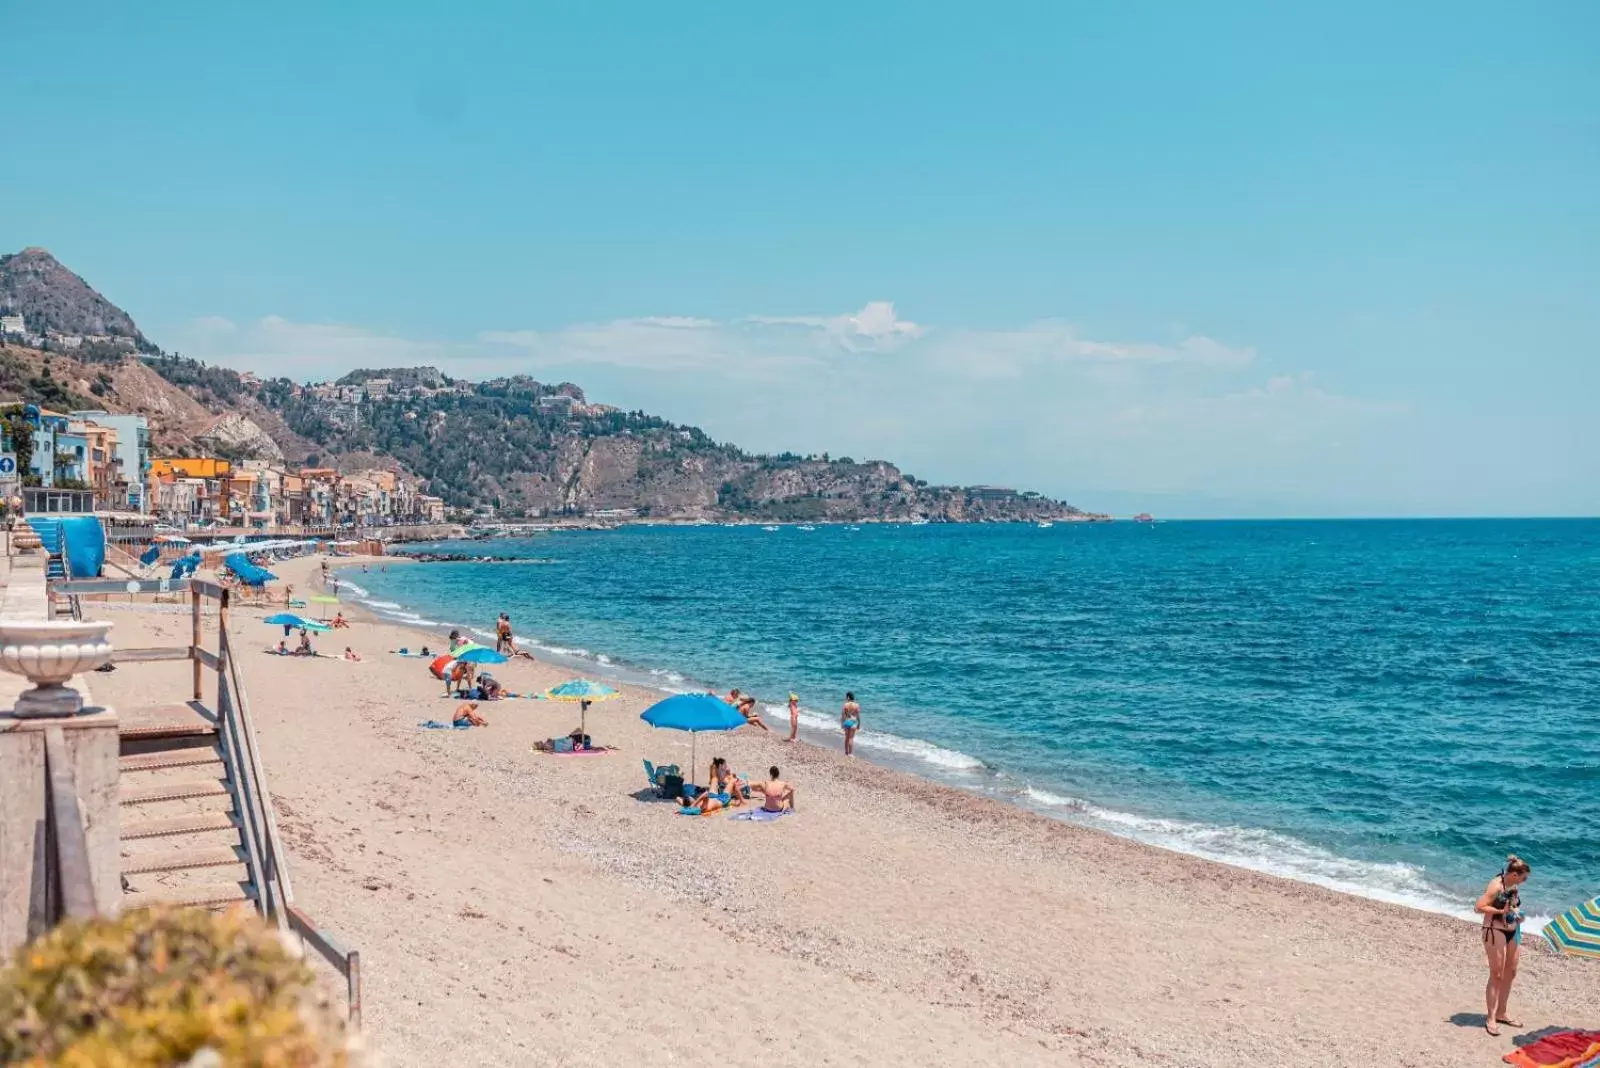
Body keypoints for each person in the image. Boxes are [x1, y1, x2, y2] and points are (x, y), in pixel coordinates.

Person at [1476, 855, 1531, 1036]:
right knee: (1497, 974)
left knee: (1511, 972)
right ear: (1514, 875)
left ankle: (1501, 1013)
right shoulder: (1496, 886)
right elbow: (1479, 907)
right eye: (1523, 878)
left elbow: (1512, 906)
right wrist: (1500, 911)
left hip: (1513, 930)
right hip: (1494, 929)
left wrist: (1518, 915)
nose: (1524, 882)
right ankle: (1491, 1017)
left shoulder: (1512, 885)